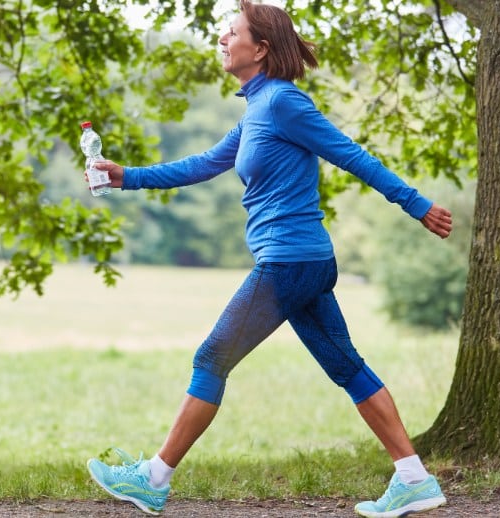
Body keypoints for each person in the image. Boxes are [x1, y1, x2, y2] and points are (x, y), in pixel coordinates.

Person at [84, 1, 454, 517]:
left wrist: (415, 205)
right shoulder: (257, 108)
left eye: (231, 32)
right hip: (302, 263)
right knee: (346, 367)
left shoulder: (283, 102)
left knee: (212, 358)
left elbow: (350, 154)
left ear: (259, 48)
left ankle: (154, 478)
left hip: (288, 262)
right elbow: (205, 163)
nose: (221, 39)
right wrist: (129, 176)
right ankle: (413, 478)